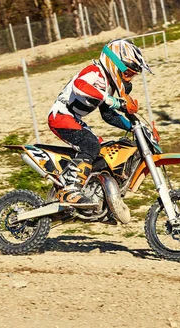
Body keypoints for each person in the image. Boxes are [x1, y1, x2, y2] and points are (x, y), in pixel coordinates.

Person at [47, 39, 152, 207]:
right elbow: (79, 86)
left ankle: (93, 189)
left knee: (104, 150)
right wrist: (112, 100)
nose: (129, 79)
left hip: (75, 119)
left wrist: (132, 127)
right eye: (128, 74)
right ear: (115, 64)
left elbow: (108, 116)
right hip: (61, 116)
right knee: (91, 145)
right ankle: (69, 191)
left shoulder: (108, 86)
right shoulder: (95, 72)